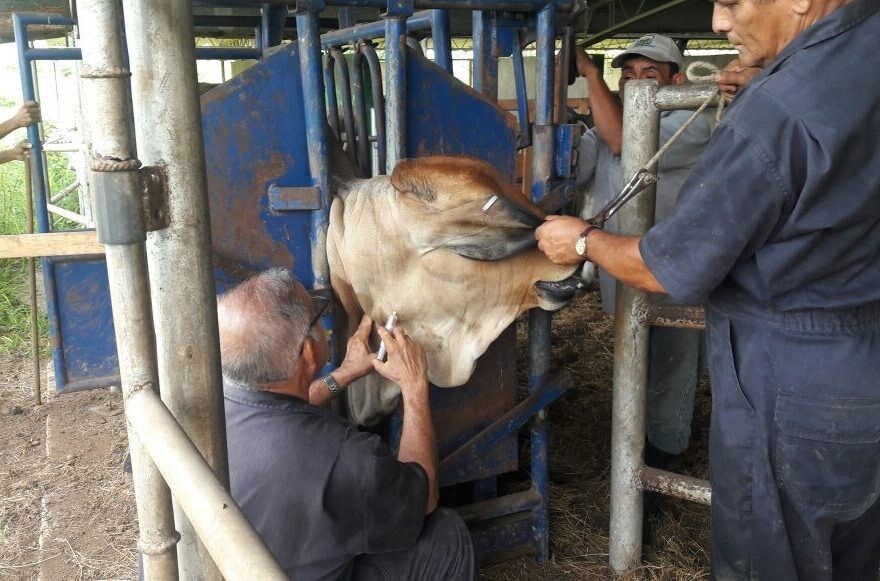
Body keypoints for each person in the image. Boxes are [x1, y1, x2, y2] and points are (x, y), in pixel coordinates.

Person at [536, 0, 880, 578]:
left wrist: (581, 243)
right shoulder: (856, 55)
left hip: (792, 377)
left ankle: (654, 467)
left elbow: (673, 268)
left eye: (732, 2)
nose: (719, 23)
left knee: (768, 555)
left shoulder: (773, 114)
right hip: (860, 350)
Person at [217, 268, 474, 580]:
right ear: (309, 351)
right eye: (318, 314)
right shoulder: (348, 456)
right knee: (447, 535)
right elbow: (425, 498)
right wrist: (415, 388)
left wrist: (345, 374)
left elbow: (282, 406)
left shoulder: (211, 413)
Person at [573, 34, 713, 470]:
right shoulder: (606, 125)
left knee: (672, 370)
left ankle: (663, 462)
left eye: (649, 74)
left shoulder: (692, 123)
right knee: (633, 364)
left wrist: (590, 75)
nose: (636, 83)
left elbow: (622, 143)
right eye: (628, 74)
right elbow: (574, 171)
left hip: (671, 279)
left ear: (677, 79)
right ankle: (631, 452)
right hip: (623, 271)